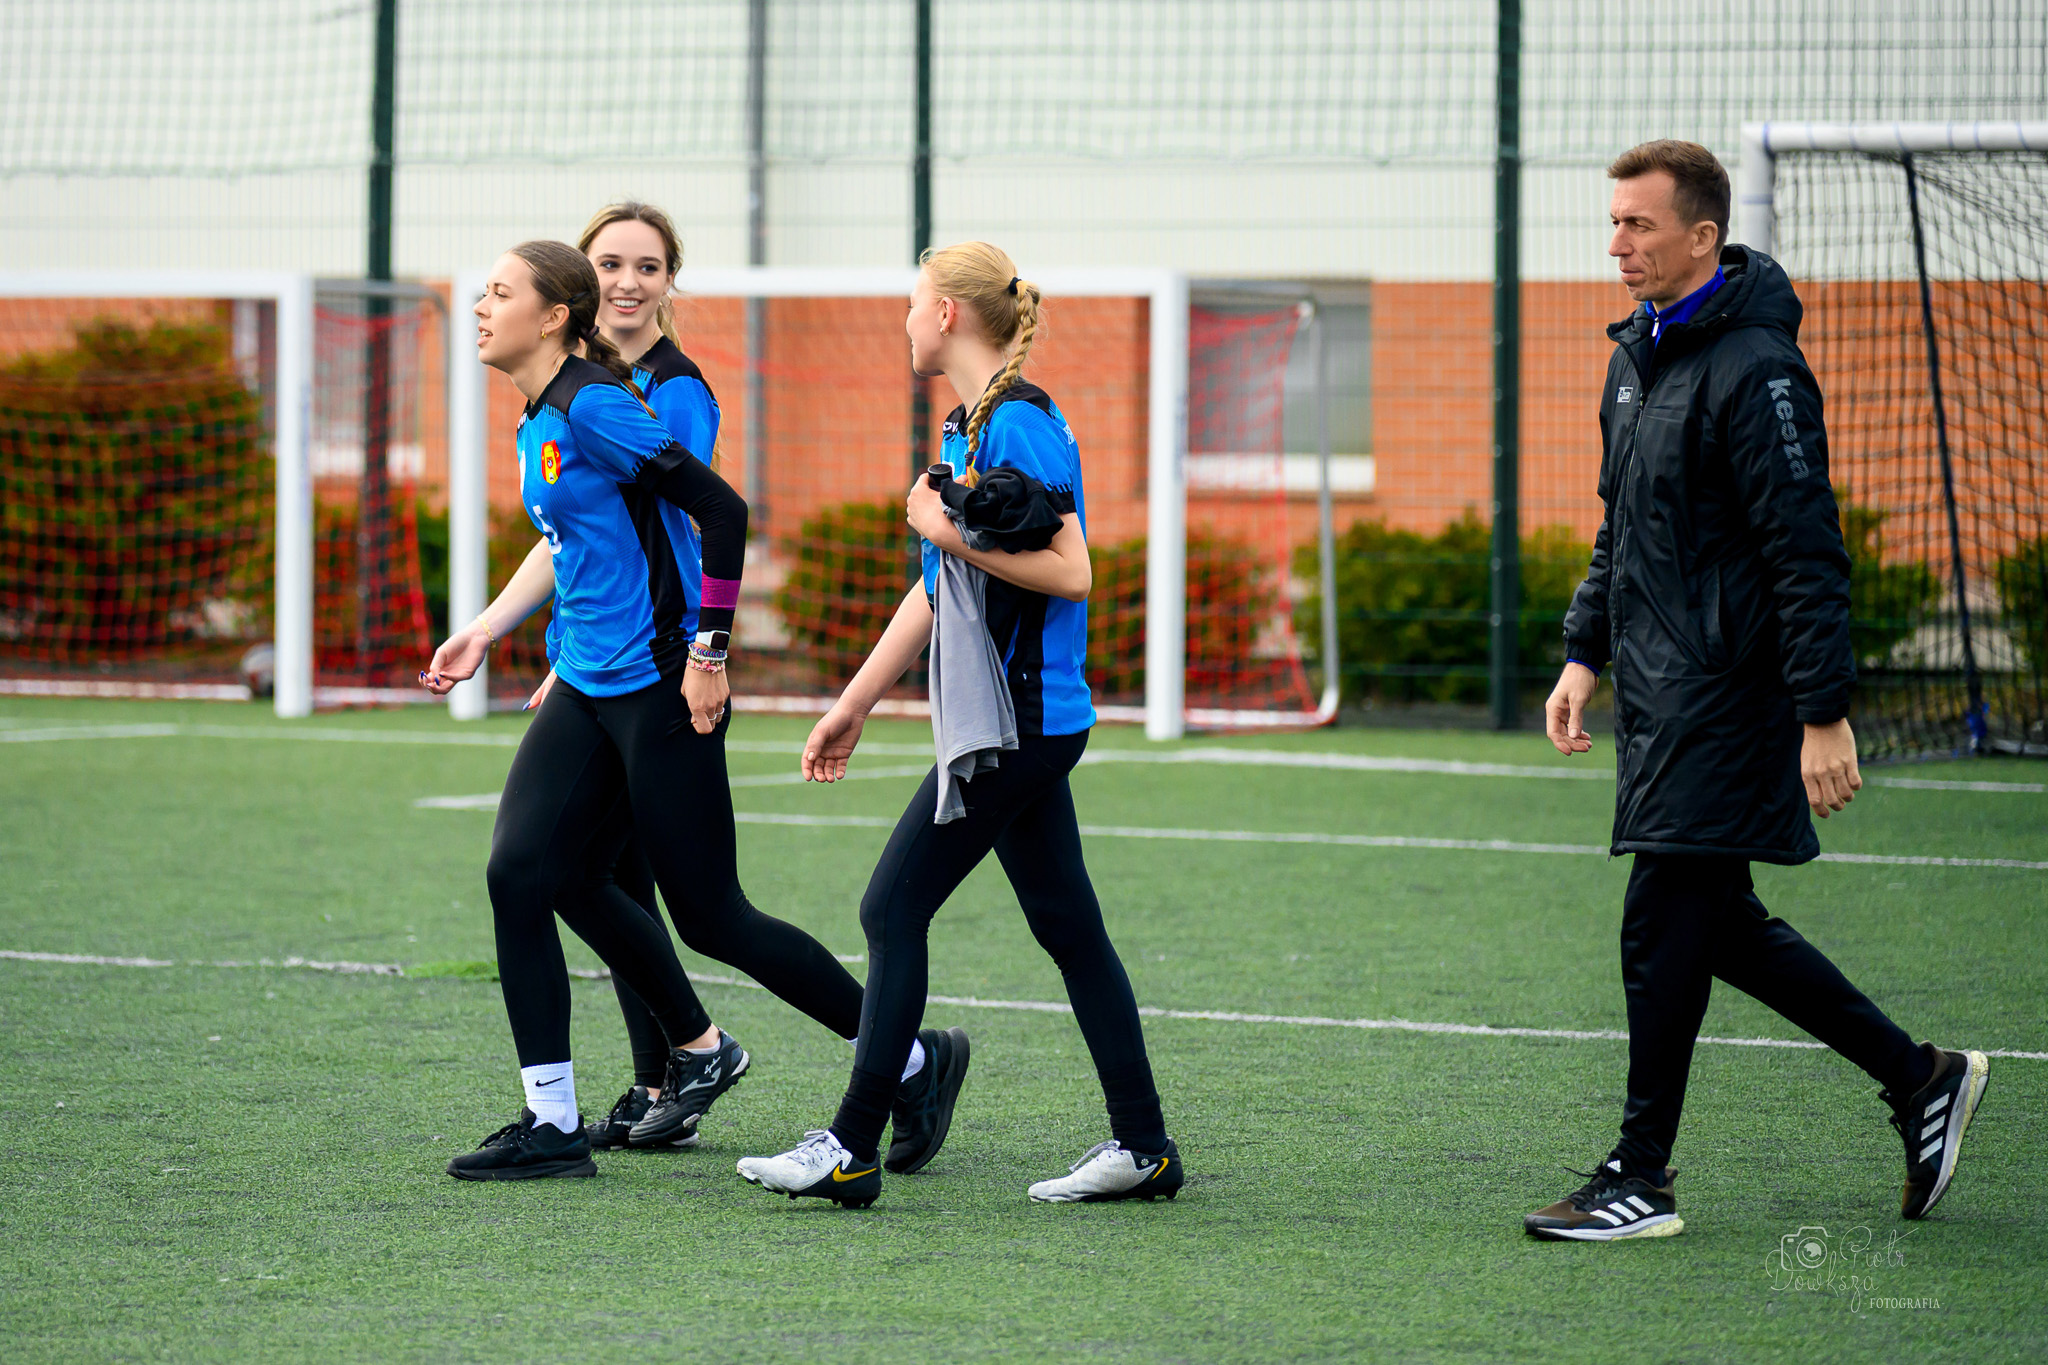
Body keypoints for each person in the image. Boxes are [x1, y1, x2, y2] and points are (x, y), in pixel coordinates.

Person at [1524, 141, 1990, 1241]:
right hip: (1658, 691)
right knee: (1713, 925)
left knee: (1661, 920)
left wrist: (1821, 710)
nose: (1616, 242)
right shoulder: (1634, 356)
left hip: (1729, 694)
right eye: (1613, 221)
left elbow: (1805, 548)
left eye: (1637, 224)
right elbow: (1621, 524)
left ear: (1701, 236)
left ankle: (1641, 1176)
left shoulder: (1760, 369)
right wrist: (1584, 652)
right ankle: (1918, 1077)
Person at [418, 240, 929, 1179]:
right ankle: (554, 1123)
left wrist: (708, 654)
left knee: (712, 915)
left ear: (552, 317)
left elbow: (723, 511)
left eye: (498, 292)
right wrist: (490, 631)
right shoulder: (539, 411)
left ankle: (909, 1062)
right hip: (587, 684)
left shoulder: (597, 404)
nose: (480, 307)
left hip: (661, 683)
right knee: (525, 872)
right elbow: (578, 548)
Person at [735, 242, 1182, 1208]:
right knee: (1070, 928)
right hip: (1015, 722)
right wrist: (854, 701)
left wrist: (943, 529)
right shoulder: (967, 426)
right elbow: (941, 588)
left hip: (1021, 725)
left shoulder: (1020, 423)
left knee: (891, 909)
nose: (904, 321)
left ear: (946, 314)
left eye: (912, 304)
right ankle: (1145, 1147)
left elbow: (1072, 572)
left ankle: (850, 1147)